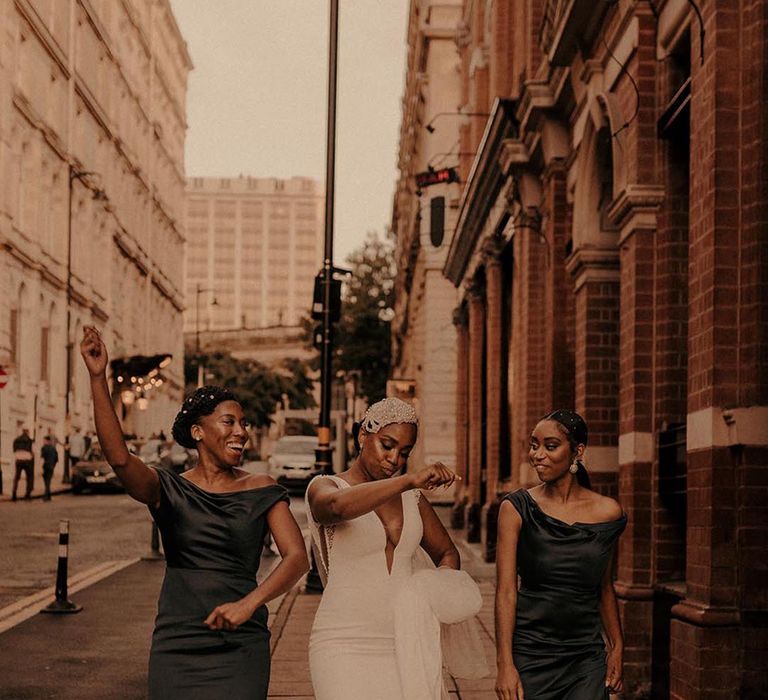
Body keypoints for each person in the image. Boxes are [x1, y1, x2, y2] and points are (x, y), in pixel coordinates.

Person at [79, 326, 309, 699]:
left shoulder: (261, 488)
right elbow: (119, 459)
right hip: (178, 644)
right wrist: (97, 378)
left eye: (244, 423)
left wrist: (247, 605)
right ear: (198, 432)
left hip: (241, 647)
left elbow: (297, 558)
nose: (242, 432)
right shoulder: (168, 488)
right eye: (229, 421)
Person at [307, 397, 478, 700]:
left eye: (405, 453)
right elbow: (333, 508)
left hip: (406, 640)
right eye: (387, 445)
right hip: (342, 640)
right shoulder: (326, 486)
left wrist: (428, 590)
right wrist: (409, 480)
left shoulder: (412, 500)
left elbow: (447, 554)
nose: (394, 459)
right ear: (363, 435)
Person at [494, 409, 627, 700]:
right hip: (531, 654)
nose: (537, 454)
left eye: (550, 446)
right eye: (534, 445)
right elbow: (505, 592)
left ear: (577, 451)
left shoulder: (608, 512)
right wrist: (505, 664)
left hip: (585, 656)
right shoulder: (516, 509)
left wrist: (617, 647)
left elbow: (603, 587)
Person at [12, 427, 34, 501]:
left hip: (18, 460)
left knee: (16, 477)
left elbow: (14, 450)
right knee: (29, 477)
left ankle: (14, 494)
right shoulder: (29, 441)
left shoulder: (16, 440)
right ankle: (27, 494)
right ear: (27, 432)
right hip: (27, 460)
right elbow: (31, 451)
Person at [40, 435, 59, 501]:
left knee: (46, 481)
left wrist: (41, 468)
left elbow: (42, 458)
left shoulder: (44, 448)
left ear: (47, 441)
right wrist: (53, 465)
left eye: (44, 440)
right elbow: (56, 459)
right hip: (51, 466)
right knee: (48, 481)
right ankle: (49, 495)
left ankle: (46, 495)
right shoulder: (53, 448)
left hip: (45, 466)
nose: (43, 442)